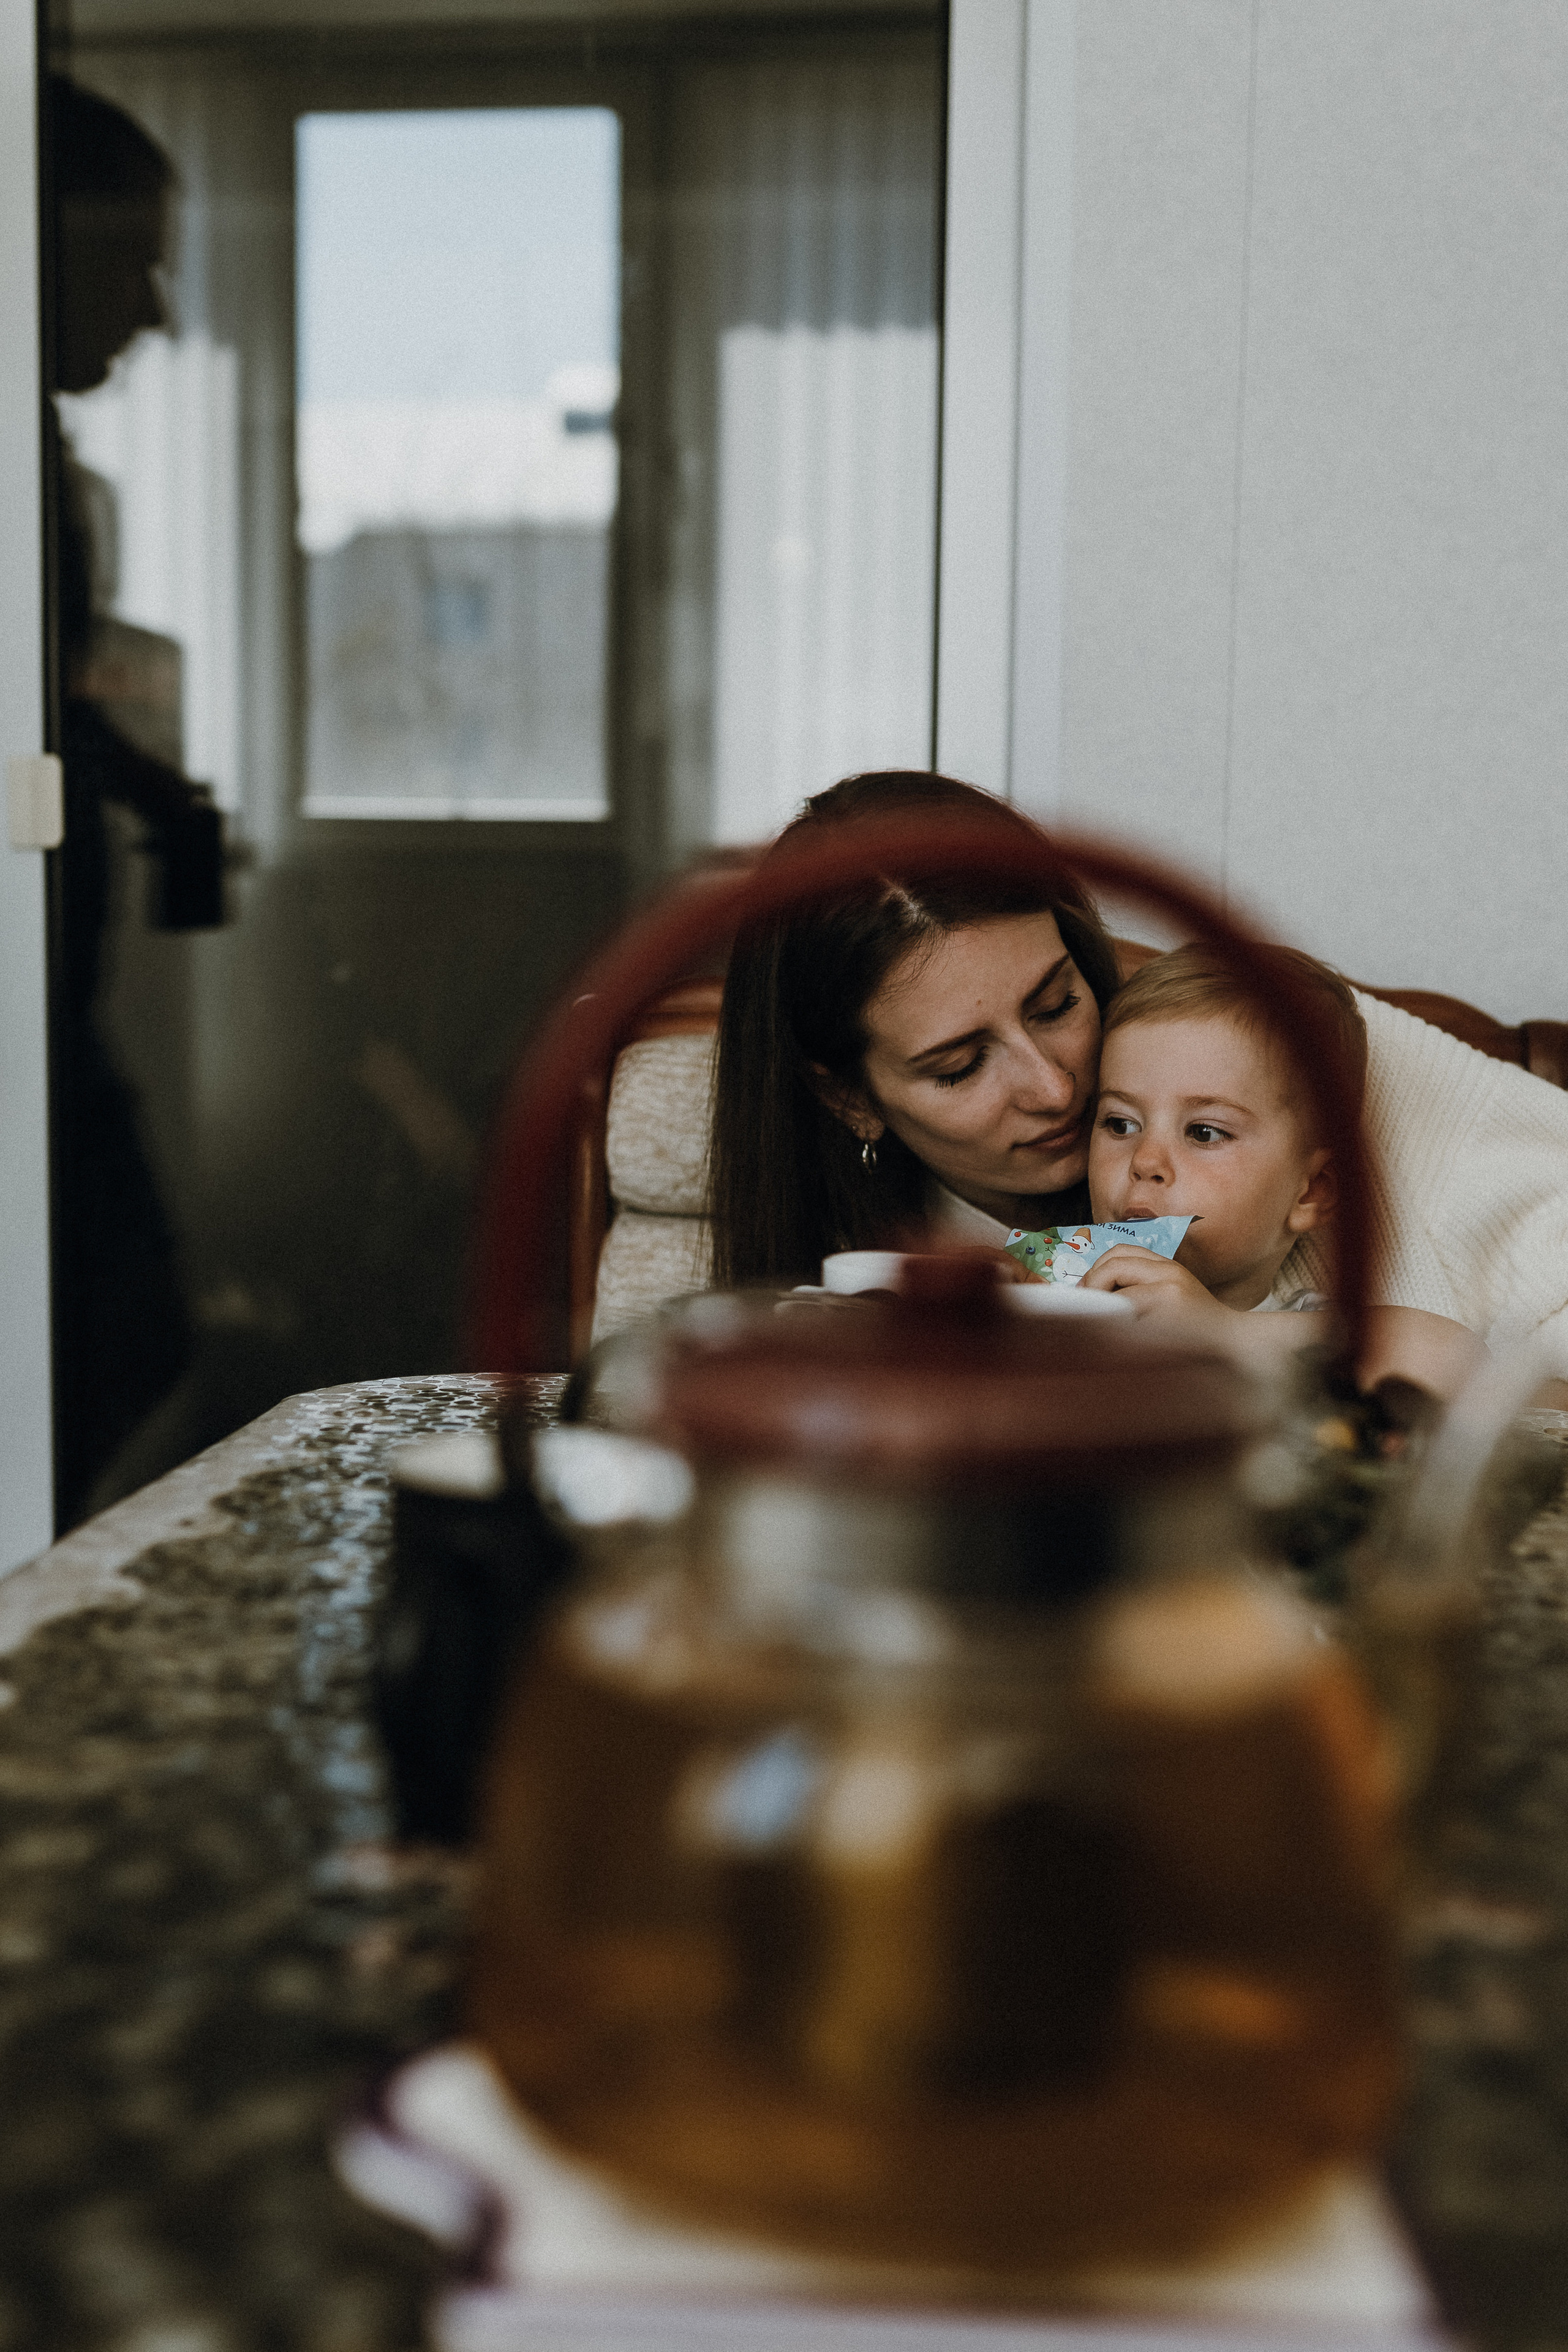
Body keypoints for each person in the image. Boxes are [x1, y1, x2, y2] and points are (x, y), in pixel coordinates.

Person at [709, 769, 1568, 1387]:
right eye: (962, 1066)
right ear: (850, 1097)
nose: (1055, 1090)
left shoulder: (1239, 1034)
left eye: (1055, 1006)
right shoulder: (854, 1273)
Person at [1077, 944, 1487, 1396]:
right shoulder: (1066, 1293)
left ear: (1310, 1192)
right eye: (1120, 1124)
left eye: (1204, 1133)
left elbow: (1462, 1364)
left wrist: (1223, 1331)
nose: (1145, 1162)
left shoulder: (1300, 1333)